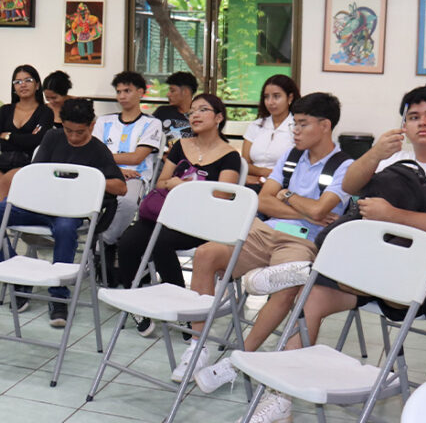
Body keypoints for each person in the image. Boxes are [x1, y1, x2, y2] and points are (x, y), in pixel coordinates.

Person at [177, 93, 352, 421]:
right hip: (263, 230)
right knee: (207, 253)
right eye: (294, 124)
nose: (295, 131)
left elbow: (318, 211)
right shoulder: (291, 155)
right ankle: (198, 348)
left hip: (303, 242)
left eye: (302, 124)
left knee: (289, 281)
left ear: (325, 126)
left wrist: (289, 198)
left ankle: (239, 358)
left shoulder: (345, 166)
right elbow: (264, 201)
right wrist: (300, 204)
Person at [280, 87, 426, 354]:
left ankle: (313, 271)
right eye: (414, 117)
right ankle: (280, 389)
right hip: (373, 274)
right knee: (311, 296)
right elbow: (349, 185)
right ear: (404, 125)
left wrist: (392, 216)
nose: (423, 122)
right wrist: (375, 154)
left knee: (318, 276)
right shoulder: (395, 160)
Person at [0, 98, 126, 327]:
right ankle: (17, 276)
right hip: (38, 205)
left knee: (66, 228)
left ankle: (58, 294)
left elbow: (121, 187)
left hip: (69, 210)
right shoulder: (53, 137)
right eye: (69, 130)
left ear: (92, 124)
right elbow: (36, 172)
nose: (74, 136)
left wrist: (91, 179)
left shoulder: (98, 150)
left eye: (80, 132)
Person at [115, 93, 240, 336]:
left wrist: (183, 186)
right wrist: (179, 186)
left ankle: (183, 310)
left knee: (160, 243)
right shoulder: (180, 146)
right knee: (128, 243)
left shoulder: (230, 155)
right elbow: (162, 182)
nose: (195, 115)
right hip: (169, 215)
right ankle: (138, 303)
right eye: (192, 111)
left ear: (219, 117)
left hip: (203, 224)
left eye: (203, 110)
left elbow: (223, 196)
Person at [93, 71, 163, 276]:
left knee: (128, 202)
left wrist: (108, 159)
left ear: (141, 92)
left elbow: (137, 158)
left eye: (127, 91)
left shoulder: (152, 123)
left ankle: (102, 243)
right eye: (119, 91)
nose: (122, 96)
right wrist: (115, 168)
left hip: (136, 177)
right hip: (103, 175)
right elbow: (94, 154)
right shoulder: (104, 121)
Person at [0, 65, 54, 203]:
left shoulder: (45, 112)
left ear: (37, 85)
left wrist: (9, 136)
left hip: (28, 165)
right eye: (17, 82)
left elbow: (37, 141)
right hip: (2, 162)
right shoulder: (5, 110)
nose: (22, 85)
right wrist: (25, 139)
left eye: (28, 80)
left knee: (2, 184)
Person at [241, 75, 299, 188]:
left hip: (284, 185)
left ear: (290, 98)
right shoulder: (256, 125)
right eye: (266, 97)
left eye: (276, 96)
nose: (270, 102)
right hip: (253, 182)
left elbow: (298, 167)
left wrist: (270, 176)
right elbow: (245, 163)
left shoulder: (298, 128)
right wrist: (262, 173)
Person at [151, 71, 200, 148]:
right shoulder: (162, 112)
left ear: (185, 92)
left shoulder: (199, 117)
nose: (168, 94)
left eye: (172, 91)